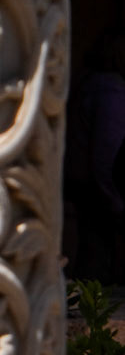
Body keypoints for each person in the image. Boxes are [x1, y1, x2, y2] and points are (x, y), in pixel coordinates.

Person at [66, 26, 125, 281]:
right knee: (97, 261)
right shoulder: (109, 90)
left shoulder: (90, 83)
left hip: (86, 188)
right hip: (98, 193)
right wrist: (116, 202)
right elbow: (106, 154)